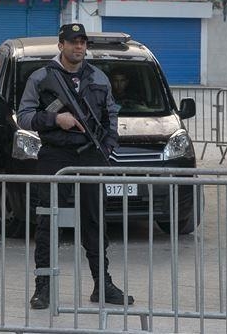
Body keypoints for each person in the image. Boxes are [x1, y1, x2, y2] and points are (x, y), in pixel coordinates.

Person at [17, 23, 134, 310]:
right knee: (48, 221)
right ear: (61, 45)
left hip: (90, 154)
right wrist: (55, 119)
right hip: (55, 155)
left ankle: (102, 285)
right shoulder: (41, 77)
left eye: (82, 42)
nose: (79, 46)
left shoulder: (98, 77)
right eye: (73, 42)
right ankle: (43, 287)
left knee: (95, 220)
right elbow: (24, 117)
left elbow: (111, 115)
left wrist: (108, 145)